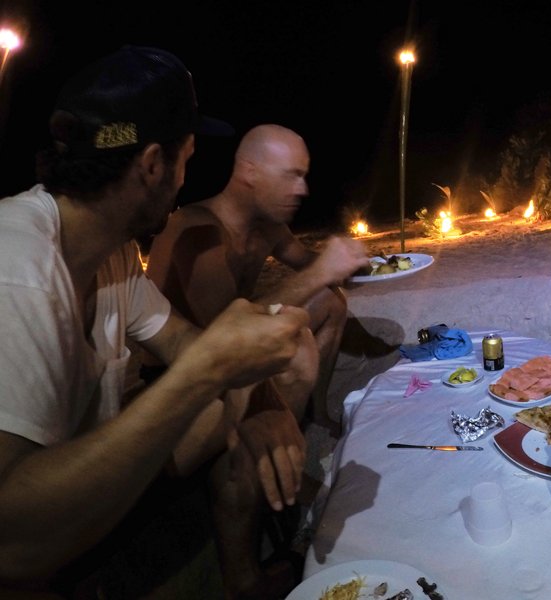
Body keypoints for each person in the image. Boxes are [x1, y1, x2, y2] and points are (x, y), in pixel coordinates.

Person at [0, 46, 313, 598]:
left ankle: (241, 581)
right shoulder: (17, 266)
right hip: (29, 541)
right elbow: (11, 542)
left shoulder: (110, 248)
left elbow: (182, 341)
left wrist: (257, 396)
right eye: (185, 158)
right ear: (151, 164)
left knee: (236, 398)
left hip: (81, 476)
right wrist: (209, 372)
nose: (185, 177)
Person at [144, 124, 370, 427]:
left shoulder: (268, 225)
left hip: (229, 341)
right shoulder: (198, 230)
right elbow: (221, 335)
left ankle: (317, 412)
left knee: (330, 301)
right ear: (250, 172)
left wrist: (349, 264)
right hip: (181, 369)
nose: (303, 190)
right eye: (292, 176)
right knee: (298, 348)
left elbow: (305, 261)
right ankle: (275, 440)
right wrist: (320, 271)